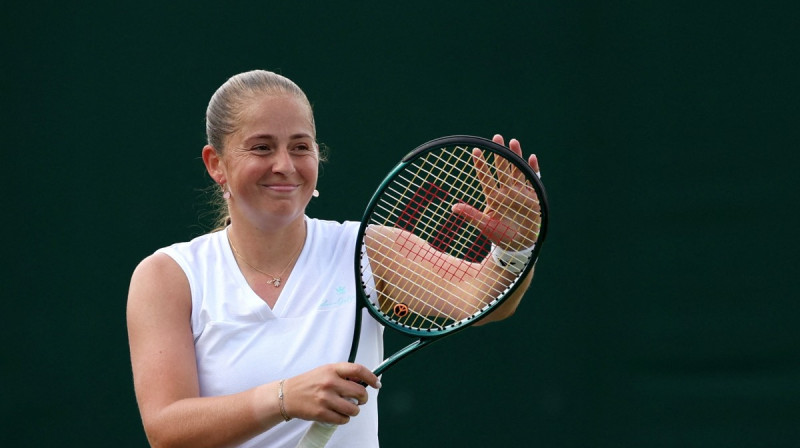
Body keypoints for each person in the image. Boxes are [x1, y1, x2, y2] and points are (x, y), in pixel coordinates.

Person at [127, 69, 542, 448]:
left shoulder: (371, 250)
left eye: (300, 146)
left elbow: (483, 301)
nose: (285, 165)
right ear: (216, 164)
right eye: (261, 147)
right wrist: (285, 398)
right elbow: (166, 429)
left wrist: (516, 249)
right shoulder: (168, 277)